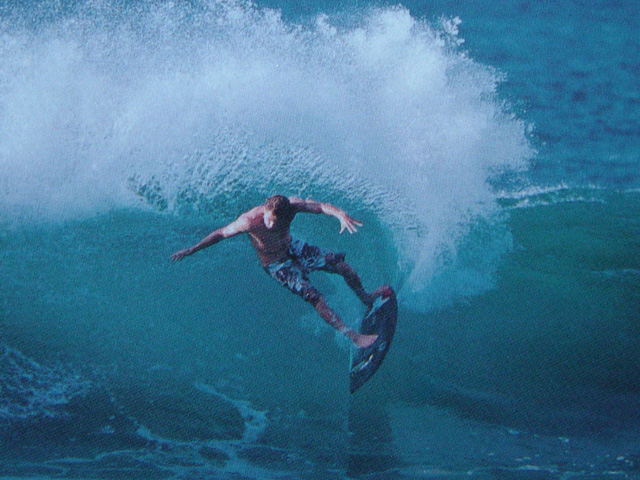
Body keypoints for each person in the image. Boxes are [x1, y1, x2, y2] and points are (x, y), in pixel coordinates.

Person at [171, 195, 386, 348]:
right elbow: (221, 233)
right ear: (264, 210)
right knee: (314, 296)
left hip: (293, 247)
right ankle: (353, 337)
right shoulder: (249, 221)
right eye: (268, 220)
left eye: (276, 222)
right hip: (276, 264)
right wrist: (192, 249)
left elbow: (319, 206)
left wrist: (340, 214)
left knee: (342, 266)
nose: (271, 225)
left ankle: (366, 298)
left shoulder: (291, 206)